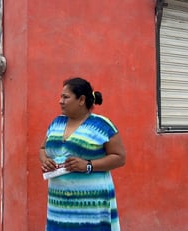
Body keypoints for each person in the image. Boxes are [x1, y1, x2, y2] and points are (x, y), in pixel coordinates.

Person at [39, 77, 126, 230]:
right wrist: (45, 160)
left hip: (91, 205)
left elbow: (119, 158)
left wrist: (88, 165)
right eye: (61, 97)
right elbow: (42, 149)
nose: (60, 101)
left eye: (65, 97)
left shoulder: (102, 125)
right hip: (59, 204)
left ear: (81, 100)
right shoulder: (56, 123)